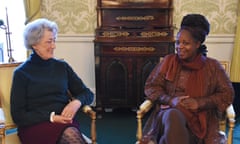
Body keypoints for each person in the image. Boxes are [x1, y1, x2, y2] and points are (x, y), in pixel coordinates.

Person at [141, 14, 234, 144]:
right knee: (173, 115)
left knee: (167, 140)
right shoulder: (169, 61)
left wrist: (200, 102)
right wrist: (171, 100)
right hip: (167, 116)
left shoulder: (213, 66)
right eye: (178, 42)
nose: (180, 47)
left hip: (199, 122)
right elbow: (151, 87)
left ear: (197, 44)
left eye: (186, 43)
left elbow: (227, 94)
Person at [10, 18, 94, 144]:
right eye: (49, 42)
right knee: (71, 136)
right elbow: (18, 116)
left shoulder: (62, 67)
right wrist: (52, 118)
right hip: (34, 126)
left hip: (64, 123)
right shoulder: (21, 73)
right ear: (35, 45)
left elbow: (87, 94)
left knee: (70, 134)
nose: (54, 46)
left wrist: (76, 102)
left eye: (54, 40)